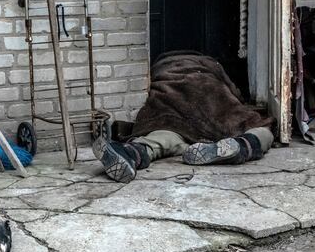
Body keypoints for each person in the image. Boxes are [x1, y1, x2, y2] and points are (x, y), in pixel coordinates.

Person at [93, 51, 275, 183]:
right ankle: (244, 144)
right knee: (259, 127)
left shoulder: (160, 67)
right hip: (210, 95)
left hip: (173, 107)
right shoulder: (211, 66)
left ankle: (133, 152)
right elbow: (234, 92)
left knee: (165, 135)